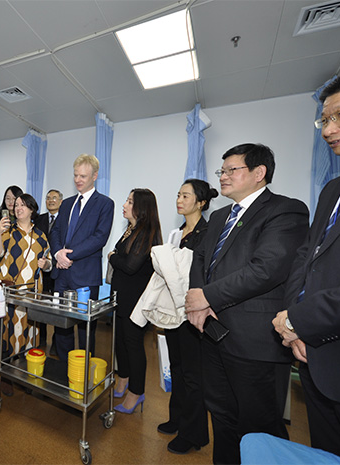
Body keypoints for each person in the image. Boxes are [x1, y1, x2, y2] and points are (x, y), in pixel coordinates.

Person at [272, 63, 340, 465]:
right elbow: (307, 256)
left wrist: (301, 321)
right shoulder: (335, 188)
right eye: (324, 120)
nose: (329, 129)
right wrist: (293, 323)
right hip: (314, 357)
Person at [185, 143, 309, 464]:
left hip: (255, 341)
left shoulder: (285, 210)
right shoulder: (220, 216)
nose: (223, 177)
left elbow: (267, 268)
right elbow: (200, 259)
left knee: (260, 425)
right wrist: (198, 299)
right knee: (221, 414)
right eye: (221, 170)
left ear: (259, 173)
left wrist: (207, 296)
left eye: (231, 170)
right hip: (213, 333)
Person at [158, 179, 217, 454]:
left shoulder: (208, 232)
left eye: (185, 196)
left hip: (194, 310)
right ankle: (177, 418)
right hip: (174, 309)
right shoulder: (176, 233)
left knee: (193, 374)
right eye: (178, 195)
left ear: (201, 202)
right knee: (177, 367)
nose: (179, 200)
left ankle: (193, 434)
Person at [49, 154, 114, 361]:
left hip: (85, 276)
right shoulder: (66, 203)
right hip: (61, 274)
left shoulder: (105, 204)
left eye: (83, 176)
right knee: (62, 327)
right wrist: (58, 253)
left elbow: (99, 237)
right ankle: (63, 368)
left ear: (94, 176)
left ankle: (83, 371)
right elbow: (55, 231)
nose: (78, 180)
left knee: (86, 330)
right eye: (76, 175)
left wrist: (69, 255)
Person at [0, 193, 50, 394]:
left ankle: (24, 372)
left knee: (25, 331)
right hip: (7, 291)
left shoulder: (41, 236)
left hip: (30, 293)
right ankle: (4, 374)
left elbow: (49, 263)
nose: (18, 208)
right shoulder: (8, 231)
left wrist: (46, 264)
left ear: (32, 210)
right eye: (17, 205)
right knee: (4, 330)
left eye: (23, 205)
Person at [109, 189, 162, 415]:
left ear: (142, 208)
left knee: (133, 346)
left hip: (135, 301)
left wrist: (112, 257)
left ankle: (136, 392)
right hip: (122, 296)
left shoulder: (146, 233)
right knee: (120, 342)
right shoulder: (131, 230)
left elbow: (130, 266)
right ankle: (123, 379)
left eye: (130, 202)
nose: (124, 205)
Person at [33, 189, 63, 349]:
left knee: (58, 308)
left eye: (54, 198)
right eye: (48, 198)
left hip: (59, 268)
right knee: (41, 306)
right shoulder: (39, 219)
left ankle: (57, 344)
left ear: (61, 202)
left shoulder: (65, 219)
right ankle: (41, 340)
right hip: (41, 269)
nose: (51, 200)